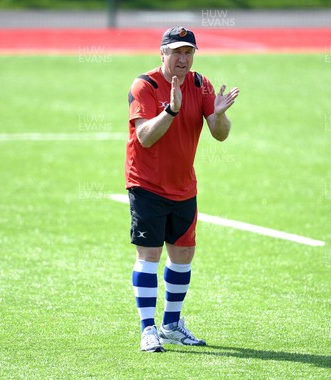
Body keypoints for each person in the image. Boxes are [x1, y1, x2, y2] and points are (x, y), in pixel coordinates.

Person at [125, 26, 239, 352]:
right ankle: (148, 329)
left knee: (183, 256)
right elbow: (145, 136)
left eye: (189, 52)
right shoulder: (144, 86)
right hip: (146, 184)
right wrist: (171, 110)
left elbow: (220, 135)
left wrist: (217, 115)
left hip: (183, 186)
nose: (183, 58)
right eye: (176, 52)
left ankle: (171, 324)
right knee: (149, 255)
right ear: (162, 53)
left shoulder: (200, 84)